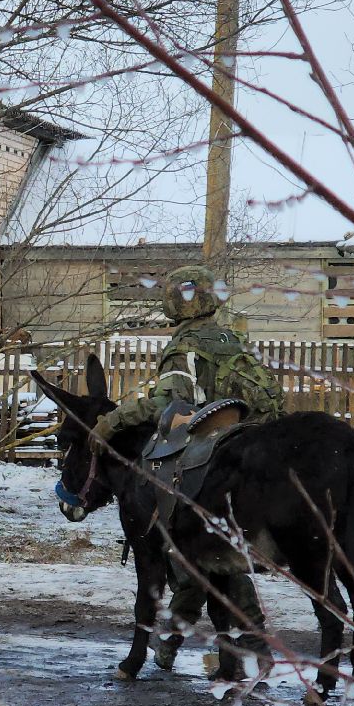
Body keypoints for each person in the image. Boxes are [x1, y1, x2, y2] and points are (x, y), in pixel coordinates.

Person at [88, 264, 285, 676]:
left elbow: (169, 405)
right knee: (219, 549)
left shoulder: (185, 347)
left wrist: (111, 422)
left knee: (189, 543)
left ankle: (207, 635)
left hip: (216, 457)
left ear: (174, 305)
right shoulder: (233, 339)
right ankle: (212, 637)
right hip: (256, 451)